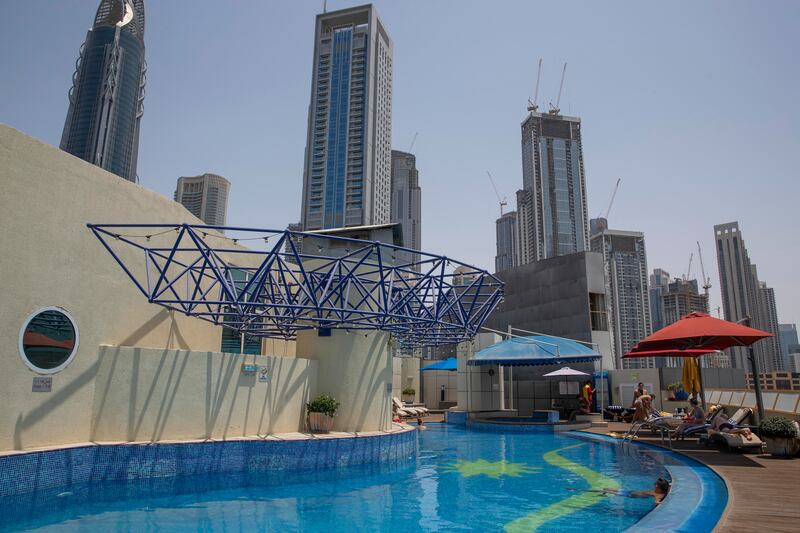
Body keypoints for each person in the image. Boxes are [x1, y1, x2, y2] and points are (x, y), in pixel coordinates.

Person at [568, 478, 671, 504]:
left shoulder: (658, 494)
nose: (654, 485)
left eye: (656, 485)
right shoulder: (657, 491)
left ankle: (578, 489)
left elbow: (657, 501)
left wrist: (658, 503)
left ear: (659, 487)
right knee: (606, 488)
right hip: (630, 491)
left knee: (605, 490)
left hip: (628, 495)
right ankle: (603, 493)